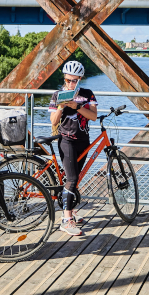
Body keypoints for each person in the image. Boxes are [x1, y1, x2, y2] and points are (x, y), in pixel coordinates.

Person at [49, 61, 97, 236]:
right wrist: (62, 106)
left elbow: (93, 116)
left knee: (75, 177)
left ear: (80, 79)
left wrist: (77, 106)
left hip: (83, 140)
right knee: (72, 177)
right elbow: (54, 122)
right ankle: (66, 219)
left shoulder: (87, 94)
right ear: (64, 78)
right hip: (66, 140)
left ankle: (71, 209)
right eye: (69, 80)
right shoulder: (57, 94)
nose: (71, 84)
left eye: (75, 81)